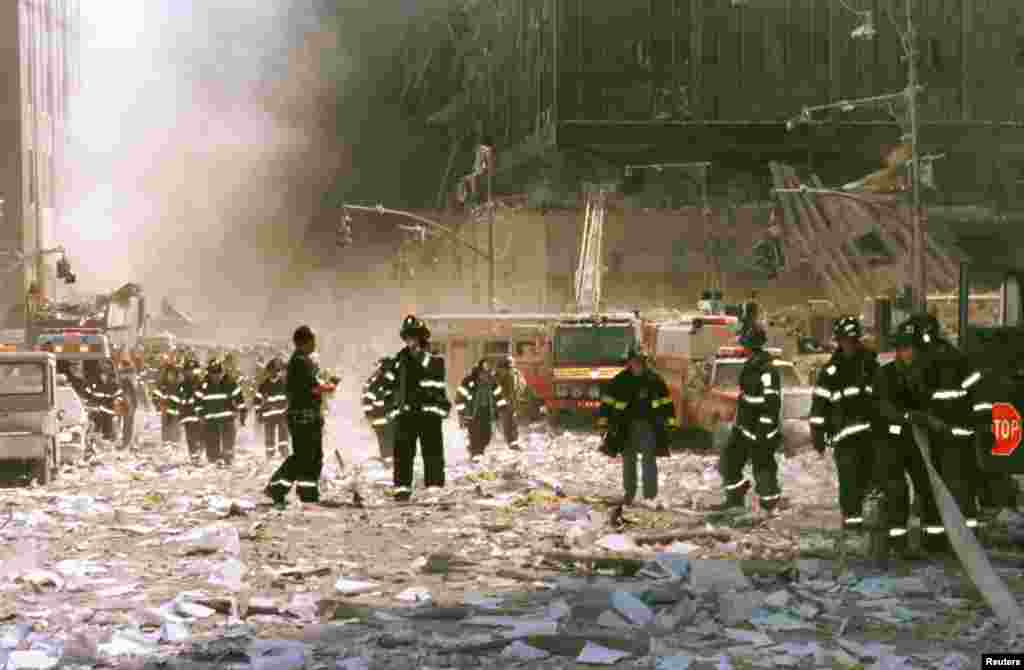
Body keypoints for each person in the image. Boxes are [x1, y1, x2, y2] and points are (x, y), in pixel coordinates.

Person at [904, 313, 985, 552]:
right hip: (958, 435)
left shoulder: (927, 359)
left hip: (943, 436)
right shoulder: (955, 355)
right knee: (959, 489)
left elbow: (918, 396)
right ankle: (963, 539)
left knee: (942, 489)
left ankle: (940, 541)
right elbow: (976, 392)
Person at [809, 316, 880, 540]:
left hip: (872, 436)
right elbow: (819, 405)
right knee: (849, 485)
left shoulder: (872, 365)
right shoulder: (831, 372)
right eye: (844, 340)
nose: (848, 345)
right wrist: (817, 435)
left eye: (851, 340)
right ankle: (853, 529)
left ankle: (875, 528)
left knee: (874, 482)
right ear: (839, 341)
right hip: (845, 438)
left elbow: (884, 398)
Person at [379, 315, 450, 501]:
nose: (411, 340)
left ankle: (434, 489)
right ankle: (402, 489)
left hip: (429, 415)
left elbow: (438, 386)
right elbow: (387, 388)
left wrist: (420, 356)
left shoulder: (435, 361)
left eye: (415, 336)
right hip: (406, 415)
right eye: (408, 336)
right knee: (402, 455)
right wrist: (393, 410)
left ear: (422, 338)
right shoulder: (397, 361)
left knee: (433, 453)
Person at [265, 326, 338, 506]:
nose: (315, 344)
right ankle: (279, 487)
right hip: (303, 416)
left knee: (309, 456)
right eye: (312, 340)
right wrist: (330, 386)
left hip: (304, 415)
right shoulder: (301, 362)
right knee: (306, 456)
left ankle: (306, 492)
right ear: (304, 342)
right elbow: (312, 388)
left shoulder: (300, 361)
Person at [598, 346, 677, 508]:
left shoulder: (655, 380)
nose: (637, 364)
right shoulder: (620, 380)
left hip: (649, 426)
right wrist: (603, 424)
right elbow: (607, 404)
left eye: (640, 361)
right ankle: (629, 494)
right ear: (629, 362)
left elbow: (667, 403)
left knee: (649, 459)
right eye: (634, 361)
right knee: (629, 460)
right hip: (625, 427)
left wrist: (670, 425)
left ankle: (650, 495)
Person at [716, 326, 783, 511]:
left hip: (761, 430)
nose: (742, 348)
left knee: (763, 470)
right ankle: (735, 500)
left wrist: (764, 428)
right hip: (744, 427)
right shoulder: (751, 365)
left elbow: (772, 401)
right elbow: (747, 397)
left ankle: (770, 508)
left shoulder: (767, 370)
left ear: (750, 345)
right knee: (729, 462)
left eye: (744, 344)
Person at [194, 359, 245, 466]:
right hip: (210, 421)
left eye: (218, 372)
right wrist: (201, 415)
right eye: (213, 372)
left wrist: (242, 412)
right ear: (209, 372)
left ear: (222, 372)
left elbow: (239, 399)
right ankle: (214, 460)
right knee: (212, 448)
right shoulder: (203, 386)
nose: (216, 375)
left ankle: (228, 458)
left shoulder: (230, 383)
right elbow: (197, 403)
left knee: (228, 444)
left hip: (227, 420)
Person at [456, 358, 506, 457]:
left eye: (487, 372)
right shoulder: (468, 381)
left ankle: (478, 450)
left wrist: (502, 409)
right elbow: (459, 398)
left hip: (487, 413)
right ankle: (475, 453)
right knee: (474, 434)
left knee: (487, 436)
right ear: (478, 372)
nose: (485, 375)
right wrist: (461, 414)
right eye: (483, 372)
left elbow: (499, 396)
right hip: (472, 414)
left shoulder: (492, 382)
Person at [255, 357, 290, 459]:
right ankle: (270, 454)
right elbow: (257, 400)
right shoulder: (263, 385)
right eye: (271, 371)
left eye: (276, 371)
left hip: (282, 414)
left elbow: (290, 398)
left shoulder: (284, 383)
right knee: (269, 436)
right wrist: (258, 413)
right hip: (268, 416)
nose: (273, 373)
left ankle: (284, 452)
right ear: (268, 372)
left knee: (283, 434)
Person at [362, 357, 395, 460]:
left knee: (387, 440)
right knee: (386, 440)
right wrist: (369, 414)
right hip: (382, 417)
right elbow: (368, 398)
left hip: (385, 417)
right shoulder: (381, 380)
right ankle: (389, 461)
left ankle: (389, 460)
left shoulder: (386, 379)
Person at [178, 359, 204, 464]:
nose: (190, 373)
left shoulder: (203, 384)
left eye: (193, 370)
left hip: (200, 415)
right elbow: (178, 399)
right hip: (187, 415)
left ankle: (199, 452)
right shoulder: (182, 385)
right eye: (188, 370)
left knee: (201, 436)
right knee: (190, 437)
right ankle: (194, 456)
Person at [86, 365, 122, 442]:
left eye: (105, 374)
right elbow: (89, 393)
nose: (103, 376)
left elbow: (115, 411)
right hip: (96, 408)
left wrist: (102, 408)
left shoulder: (115, 388)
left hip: (102, 410)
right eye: (102, 374)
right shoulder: (94, 382)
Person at [495, 356, 524, 450]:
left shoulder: (515, 373)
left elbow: (522, 384)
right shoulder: (499, 374)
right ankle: (511, 442)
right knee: (507, 422)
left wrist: (518, 395)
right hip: (505, 402)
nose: (510, 368)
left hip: (513, 401)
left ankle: (513, 442)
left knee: (512, 422)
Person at [153, 364, 183, 449]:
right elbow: (155, 395)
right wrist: (157, 405)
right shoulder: (162, 385)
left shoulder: (179, 385)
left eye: (172, 374)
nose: (171, 376)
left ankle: (175, 443)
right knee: (165, 425)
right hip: (165, 408)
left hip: (176, 409)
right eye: (169, 374)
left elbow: (183, 396)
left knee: (175, 425)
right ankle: (166, 442)